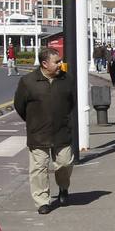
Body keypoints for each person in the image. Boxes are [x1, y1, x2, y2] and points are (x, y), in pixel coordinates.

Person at [13, 46, 77, 213]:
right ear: (44, 64)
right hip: (38, 133)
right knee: (39, 168)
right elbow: (19, 106)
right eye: (57, 62)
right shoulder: (28, 82)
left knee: (64, 163)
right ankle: (42, 201)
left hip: (61, 130)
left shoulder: (67, 80)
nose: (60, 64)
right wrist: (34, 121)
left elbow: (71, 102)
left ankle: (63, 187)